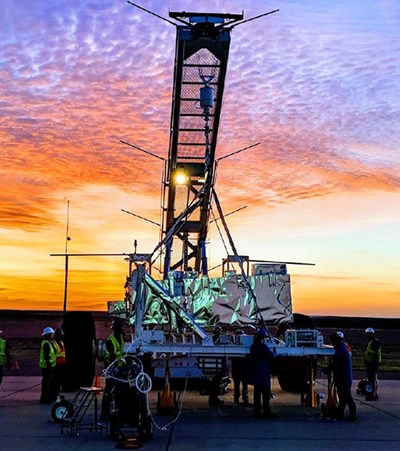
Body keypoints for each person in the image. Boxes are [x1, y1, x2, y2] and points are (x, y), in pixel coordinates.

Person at [101, 318, 126, 420]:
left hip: (119, 368)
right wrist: (116, 370)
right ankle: (105, 413)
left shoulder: (121, 337)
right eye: (121, 326)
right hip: (111, 368)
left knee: (119, 391)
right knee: (109, 390)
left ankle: (118, 412)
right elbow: (112, 357)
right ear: (116, 328)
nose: (122, 328)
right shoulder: (110, 341)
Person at [248, 328, 276, 418]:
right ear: (263, 337)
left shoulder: (253, 346)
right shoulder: (263, 347)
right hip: (263, 371)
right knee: (265, 393)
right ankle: (266, 411)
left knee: (257, 393)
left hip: (256, 371)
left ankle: (257, 411)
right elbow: (271, 356)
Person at [329, 332, 357, 421]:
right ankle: (340, 413)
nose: (332, 344)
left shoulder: (340, 350)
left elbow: (336, 364)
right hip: (342, 377)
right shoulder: (341, 348)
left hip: (344, 378)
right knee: (342, 397)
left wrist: (329, 369)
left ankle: (353, 414)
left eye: (332, 342)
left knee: (347, 397)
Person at [39, 326, 57, 404]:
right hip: (47, 367)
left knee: (47, 383)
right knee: (46, 384)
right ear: (49, 334)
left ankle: (46, 398)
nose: (53, 335)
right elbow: (47, 356)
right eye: (52, 334)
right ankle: (44, 399)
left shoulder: (49, 343)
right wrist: (49, 366)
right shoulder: (46, 343)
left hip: (48, 366)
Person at [231, 330, 249, 405]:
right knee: (244, 385)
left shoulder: (233, 347)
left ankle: (237, 399)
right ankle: (244, 399)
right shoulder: (245, 347)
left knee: (237, 385)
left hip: (237, 368)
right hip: (242, 368)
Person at [364, 327, 381, 401]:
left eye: (369, 334)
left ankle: (372, 394)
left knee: (372, 379)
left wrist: (373, 364)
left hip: (372, 364)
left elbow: (375, 353)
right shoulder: (372, 342)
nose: (368, 336)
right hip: (371, 363)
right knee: (372, 378)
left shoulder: (375, 342)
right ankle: (373, 394)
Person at [52, 328, 67, 397]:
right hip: (56, 365)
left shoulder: (61, 343)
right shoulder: (53, 343)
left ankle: (57, 394)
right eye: (61, 335)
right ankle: (54, 394)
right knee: (55, 381)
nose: (62, 336)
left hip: (62, 365)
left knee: (59, 381)